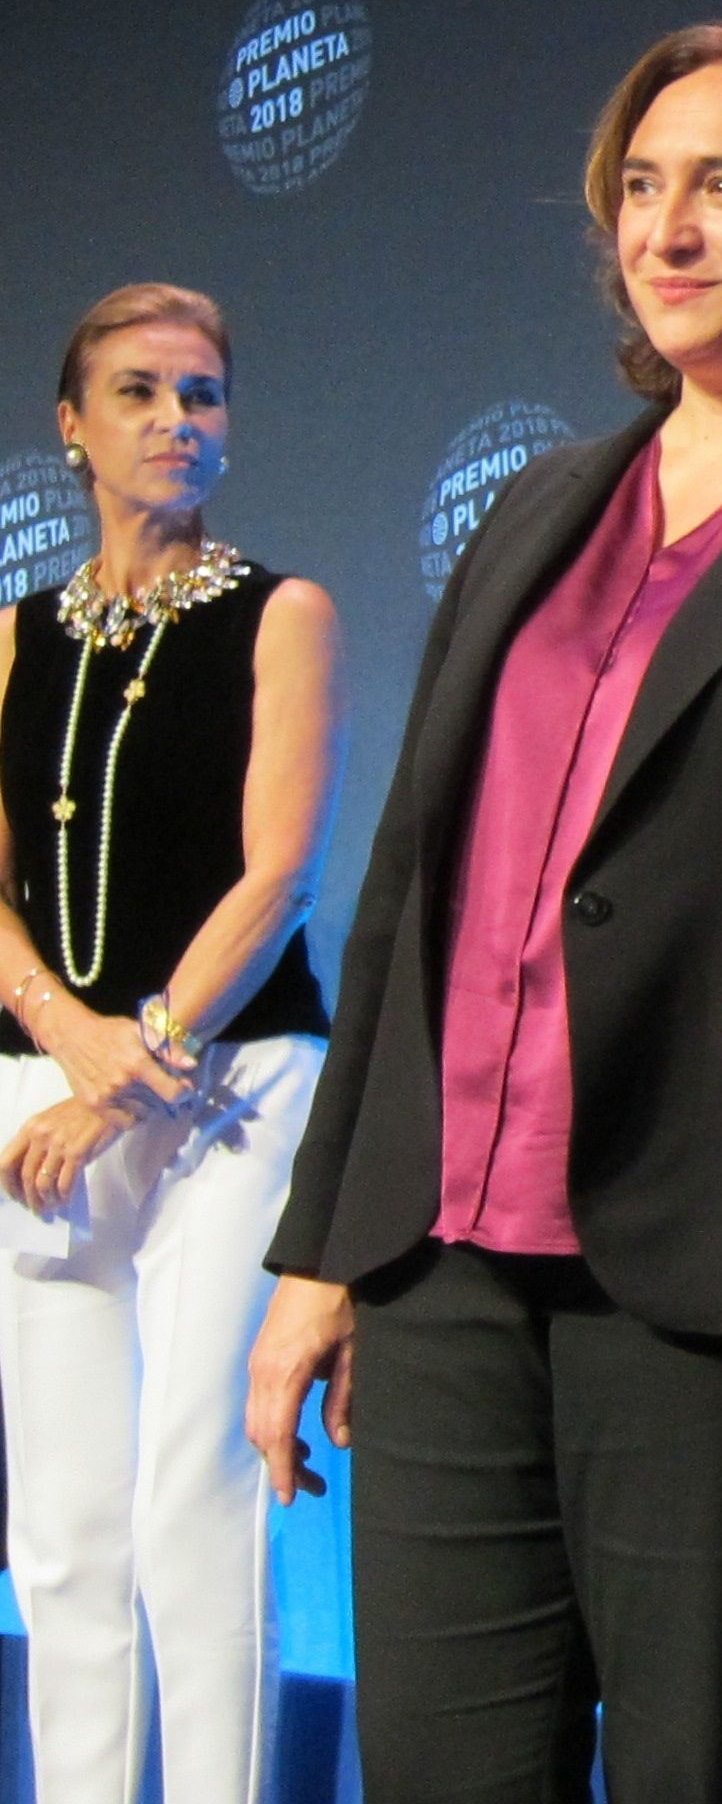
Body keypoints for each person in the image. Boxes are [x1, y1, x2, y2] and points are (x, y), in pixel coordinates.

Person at [245, 19, 722, 1799]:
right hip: (443, 1270)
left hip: (712, 1288)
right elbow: (416, 889)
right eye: (640, 191)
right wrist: (321, 1251)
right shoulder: (545, 502)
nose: (665, 232)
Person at [0, 285, 338, 1803]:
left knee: (191, 1493)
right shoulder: (9, 637)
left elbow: (279, 873)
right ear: (72, 427)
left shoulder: (284, 612)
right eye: (137, 393)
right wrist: (64, 1036)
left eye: (201, 396)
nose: (175, 421)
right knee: (61, 1527)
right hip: (40, 1088)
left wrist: (142, 1051)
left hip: (229, 1083)